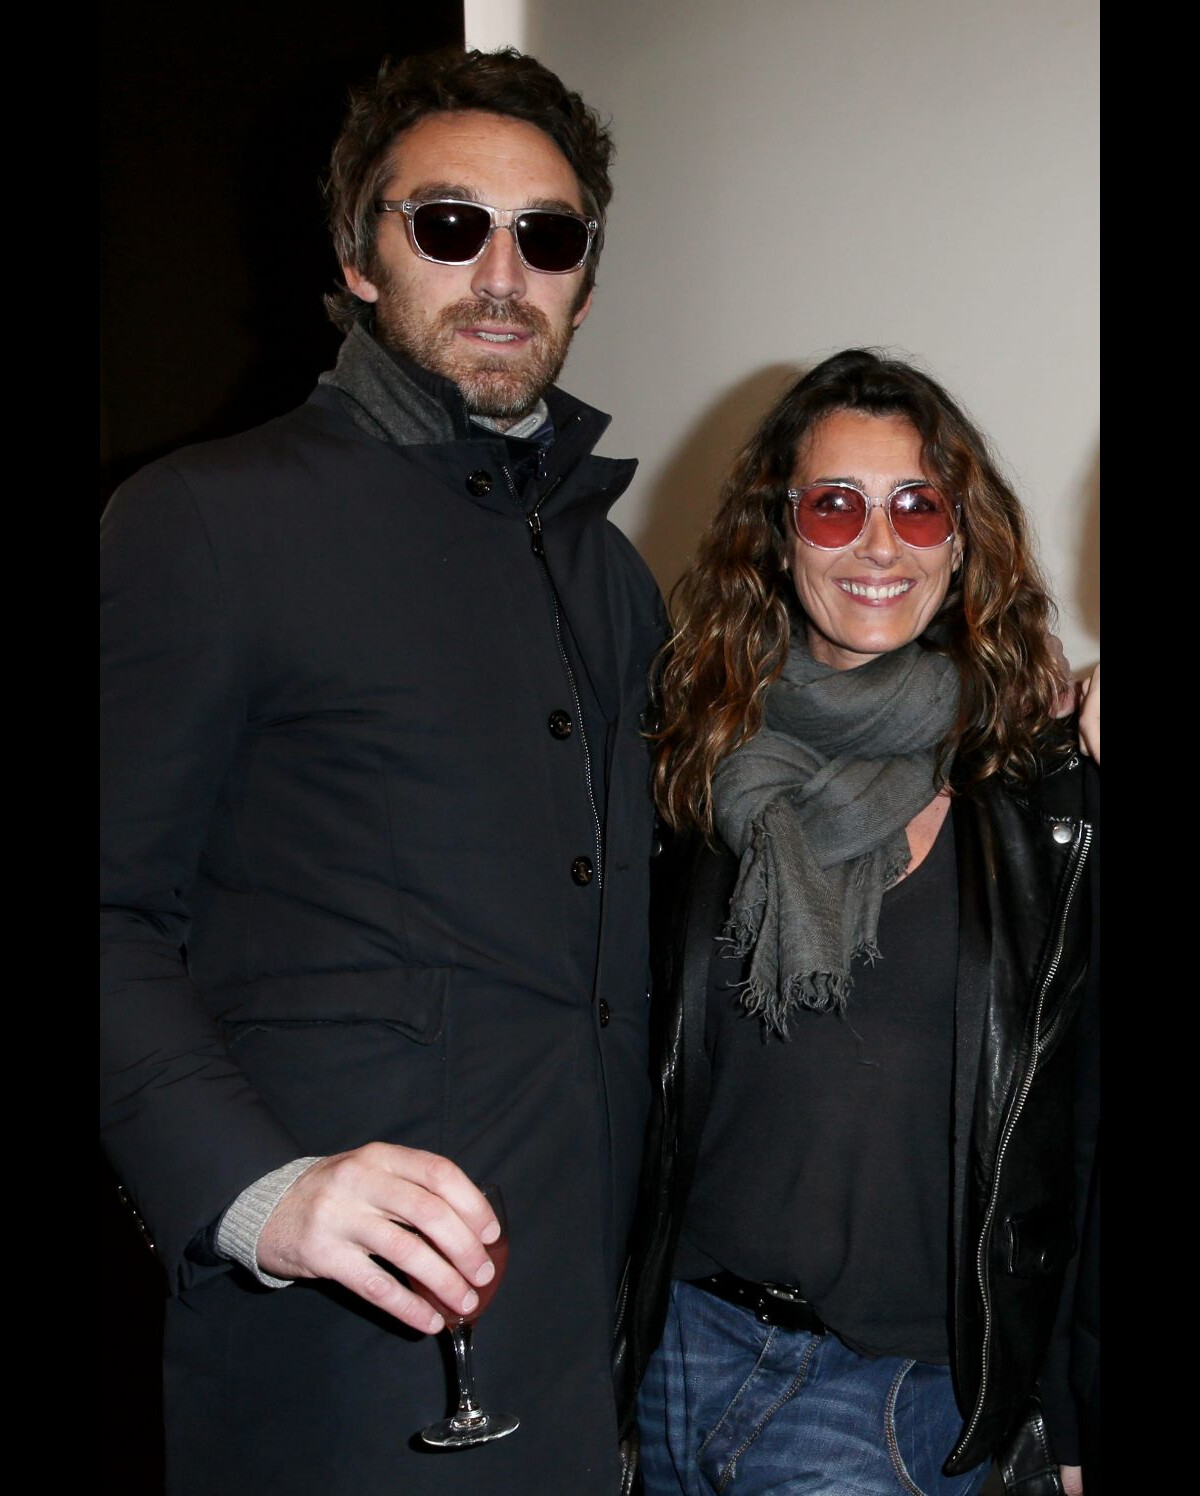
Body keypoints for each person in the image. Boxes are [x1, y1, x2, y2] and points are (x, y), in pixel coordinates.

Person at [100, 46, 666, 1496]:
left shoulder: (610, 576)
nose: (500, 271)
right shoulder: (203, 522)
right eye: (447, 223)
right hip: (338, 1367)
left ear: (584, 280)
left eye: (547, 237)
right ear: (360, 257)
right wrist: (256, 1192)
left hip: (586, 1347)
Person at [613, 349, 1099, 1495]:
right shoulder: (687, 768)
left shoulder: (1043, 794)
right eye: (836, 504)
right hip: (671, 1349)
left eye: (917, 506)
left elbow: (1081, 1129)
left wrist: (1077, 1415)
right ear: (779, 536)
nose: (879, 544)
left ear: (960, 537)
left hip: (889, 1400)